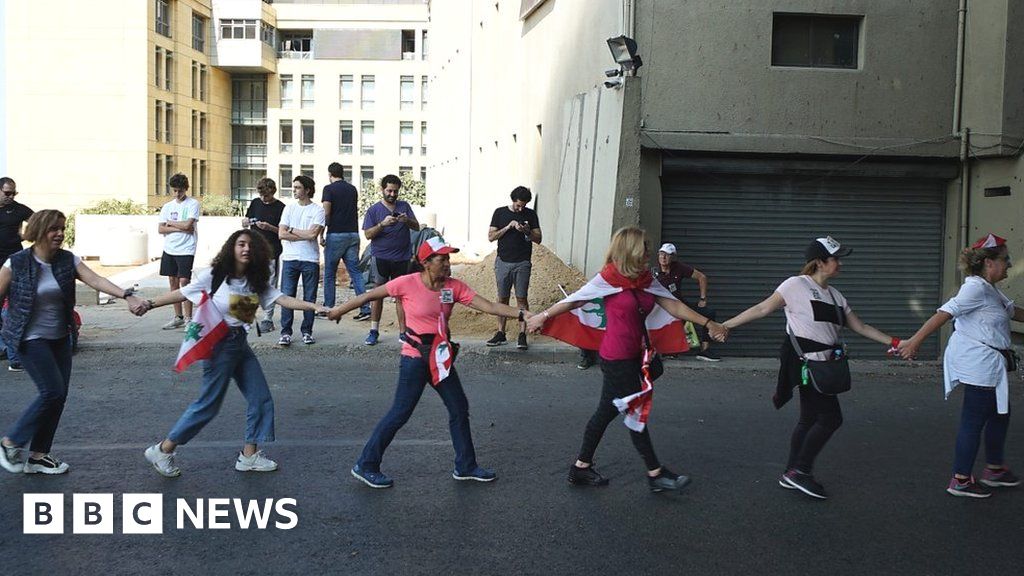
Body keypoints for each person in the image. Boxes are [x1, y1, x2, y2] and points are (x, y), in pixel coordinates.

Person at [527, 227, 727, 492]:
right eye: (644, 248)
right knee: (635, 411)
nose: (648, 254)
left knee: (606, 411)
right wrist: (542, 316)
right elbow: (575, 301)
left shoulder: (644, 279)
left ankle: (581, 468)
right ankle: (655, 473)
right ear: (630, 250)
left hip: (635, 354)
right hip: (617, 357)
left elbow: (672, 304)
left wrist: (708, 323)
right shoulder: (609, 277)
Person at [328, 237, 529, 488]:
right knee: (400, 413)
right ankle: (366, 463)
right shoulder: (407, 283)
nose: (447, 264)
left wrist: (521, 313)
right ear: (425, 263)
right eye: (441, 259)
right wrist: (338, 310)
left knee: (458, 408)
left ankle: (465, 465)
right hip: (414, 358)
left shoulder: (453, 287)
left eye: (448, 258)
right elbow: (368, 296)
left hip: (440, 358)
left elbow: (488, 306)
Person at [135, 229, 329, 477]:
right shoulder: (215, 276)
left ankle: (249, 456)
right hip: (219, 345)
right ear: (232, 248)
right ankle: (163, 449)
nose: (246, 249)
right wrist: (149, 304)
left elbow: (282, 299)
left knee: (260, 398)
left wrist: (314, 307)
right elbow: (183, 292)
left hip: (240, 343)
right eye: (241, 244)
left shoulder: (255, 280)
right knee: (208, 404)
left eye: (250, 245)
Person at [722, 236, 899, 500]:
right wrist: (726, 325)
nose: (839, 263)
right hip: (807, 365)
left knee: (809, 419)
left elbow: (861, 327)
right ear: (819, 262)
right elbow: (762, 308)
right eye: (835, 258)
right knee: (831, 419)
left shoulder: (837, 296)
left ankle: (791, 472)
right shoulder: (796, 285)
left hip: (826, 367)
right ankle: (800, 471)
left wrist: (896, 342)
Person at [0, 210, 146, 474]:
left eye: (62, 228)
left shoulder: (67, 260)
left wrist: (127, 295)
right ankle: (10, 441)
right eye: (53, 229)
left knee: (58, 396)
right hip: (29, 338)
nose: (60, 234)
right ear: (39, 230)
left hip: (60, 337)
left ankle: (38, 455)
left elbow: (96, 279)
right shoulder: (16, 263)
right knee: (51, 392)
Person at [898, 233, 1022, 498]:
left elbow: (1013, 311)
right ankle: (961, 479)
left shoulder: (990, 289)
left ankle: (995, 469)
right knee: (974, 419)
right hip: (979, 364)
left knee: (1000, 414)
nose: (1009, 264)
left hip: (989, 364)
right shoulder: (975, 288)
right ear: (989, 262)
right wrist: (914, 342)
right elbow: (944, 313)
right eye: (1005, 259)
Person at [361, 174, 420, 346]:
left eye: (395, 191)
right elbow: (367, 234)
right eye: (389, 190)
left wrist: (406, 219)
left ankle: (403, 333)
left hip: (402, 257)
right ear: (382, 189)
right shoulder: (374, 210)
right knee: (377, 294)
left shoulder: (404, 206)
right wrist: (382, 224)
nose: (392, 194)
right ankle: (373, 330)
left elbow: (416, 226)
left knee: (401, 296)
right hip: (381, 257)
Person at [486, 186, 542, 350]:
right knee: (502, 298)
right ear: (513, 201)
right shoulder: (500, 213)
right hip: (503, 261)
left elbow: (538, 239)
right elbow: (490, 236)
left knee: (521, 299)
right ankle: (501, 332)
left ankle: (522, 334)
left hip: (522, 262)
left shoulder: (530, 215)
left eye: (523, 205)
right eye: (518, 205)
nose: (521, 208)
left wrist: (527, 232)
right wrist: (508, 227)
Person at [277, 175, 325, 347]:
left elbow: (313, 235)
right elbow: (281, 234)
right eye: (294, 187)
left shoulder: (317, 210)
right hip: (290, 258)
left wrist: (291, 230)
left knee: (309, 298)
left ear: (307, 190)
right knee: (287, 296)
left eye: (298, 187)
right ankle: (285, 332)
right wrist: (300, 234)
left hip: (309, 259)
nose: (294, 190)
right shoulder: (289, 209)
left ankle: (307, 331)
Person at [320, 162, 370, 321]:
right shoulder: (352, 189)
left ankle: (328, 308)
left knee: (329, 273)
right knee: (355, 272)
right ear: (342, 173)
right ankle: (365, 308)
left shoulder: (328, 189)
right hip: (352, 234)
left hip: (336, 234)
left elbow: (326, 213)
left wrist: (321, 233)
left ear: (330, 174)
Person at [653, 242, 719, 362]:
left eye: (667, 255)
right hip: (663, 308)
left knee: (709, 313)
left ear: (673, 257)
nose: (663, 257)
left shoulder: (678, 267)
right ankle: (660, 351)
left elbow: (702, 277)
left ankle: (705, 350)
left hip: (680, 306)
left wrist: (703, 298)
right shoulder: (654, 272)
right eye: (661, 254)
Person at [157, 173, 201, 331]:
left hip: (186, 248)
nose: (177, 194)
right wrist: (177, 226)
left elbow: (189, 226)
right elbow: (160, 228)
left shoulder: (193, 204)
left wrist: (170, 224)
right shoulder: (168, 206)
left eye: (180, 191)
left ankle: (189, 317)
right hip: (170, 248)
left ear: (186, 189)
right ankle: (178, 316)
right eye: (175, 191)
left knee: (185, 282)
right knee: (173, 281)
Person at [242, 177, 285, 334]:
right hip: (253, 249)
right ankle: (245, 315)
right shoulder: (255, 203)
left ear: (272, 192)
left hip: (271, 250)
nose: (263, 199)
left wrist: (269, 227)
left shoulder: (280, 207)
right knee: (248, 282)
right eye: (261, 195)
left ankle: (268, 317)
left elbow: (283, 231)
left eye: (266, 196)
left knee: (269, 284)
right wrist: (246, 221)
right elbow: (247, 220)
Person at [0, 176, 33, 371]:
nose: (11, 197)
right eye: (7, 193)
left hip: (13, 263)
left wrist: (26, 235)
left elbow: (39, 221)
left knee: (13, 305)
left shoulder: (18, 209)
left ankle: (14, 357)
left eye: (14, 193)